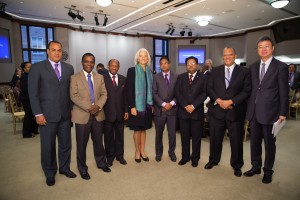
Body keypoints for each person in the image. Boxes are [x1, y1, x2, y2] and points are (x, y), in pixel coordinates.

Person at [28, 41, 76, 186]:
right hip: (46, 115)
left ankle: (64, 168)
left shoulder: (69, 68)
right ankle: (50, 172)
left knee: (65, 144)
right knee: (48, 146)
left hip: (65, 115)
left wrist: (71, 109)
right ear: (47, 51)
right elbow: (33, 93)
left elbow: (70, 91)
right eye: (53, 50)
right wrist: (37, 114)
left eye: (59, 50)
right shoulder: (37, 68)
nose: (57, 53)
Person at [244, 36, 289, 184]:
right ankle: (255, 166)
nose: (263, 49)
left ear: (272, 48)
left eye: (266, 46)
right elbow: (251, 89)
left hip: (271, 113)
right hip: (254, 112)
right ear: (257, 50)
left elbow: (284, 91)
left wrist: (283, 112)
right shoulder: (253, 66)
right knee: (254, 142)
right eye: (260, 47)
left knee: (270, 144)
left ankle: (268, 171)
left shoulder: (281, 67)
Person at [204, 47, 251, 177]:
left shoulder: (244, 72)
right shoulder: (215, 71)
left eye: (230, 54)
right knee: (215, 138)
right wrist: (218, 100)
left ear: (235, 55)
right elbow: (209, 88)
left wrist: (230, 101)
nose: (227, 57)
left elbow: (246, 91)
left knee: (236, 141)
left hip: (235, 111)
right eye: (225, 55)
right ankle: (213, 160)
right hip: (217, 111)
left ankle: (237, 165)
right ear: (222, 57)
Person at [70, 53, 110, 180]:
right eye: (86, 61)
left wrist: (97, 106)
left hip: (98, 114)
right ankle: (82, 168)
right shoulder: (75, 77)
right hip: (82, 115)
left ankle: (101, 163)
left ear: (94, 63)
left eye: (91, 62)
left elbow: (104, 94)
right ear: (82, 63)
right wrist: (89, 107)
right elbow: (74, 96)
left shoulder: (99, 77)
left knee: (99, 141)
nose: (89, 64)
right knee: (81, 144)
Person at [175, 56, 207, 167]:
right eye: (188, 64)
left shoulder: (203, 77)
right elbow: (177, 93)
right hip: (183, 112)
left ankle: (195, 158)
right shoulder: (181, 77)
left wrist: (193, 105)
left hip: (197, 112)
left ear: (197, 65)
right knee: (184, 137)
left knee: (196, 137)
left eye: (193, 63)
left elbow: (204, 93)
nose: (190, 65)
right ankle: (185, 157)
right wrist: (185, 105)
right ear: (186, 66)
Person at [126, 48, 153, 163]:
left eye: (145, 56)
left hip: (147, 107)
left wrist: (152, 105)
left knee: (144, 129)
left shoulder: (150, 72)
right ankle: (137, 151)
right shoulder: (132, 70)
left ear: (148, 59)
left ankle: (142, 151)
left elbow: (151, 90)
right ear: (137, 58)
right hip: (137, 106)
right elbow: (129, 90)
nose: (143, 58)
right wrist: (132, 106)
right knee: (137, 130)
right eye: (141, 56)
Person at [103, 59, 128, 167]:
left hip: (120, 113)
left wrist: (126, 110)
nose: (114, 67)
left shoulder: (123, 79)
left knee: (120, 136)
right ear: (108, 66)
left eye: (116, 66)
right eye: (112, 65)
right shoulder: (102, 79)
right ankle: (109, 157)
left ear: (118, 67)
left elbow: (125, 96)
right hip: (107, 113)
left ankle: (120, 156)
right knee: (108, 137)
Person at [153, 56, 178, 162]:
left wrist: (171, 103)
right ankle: (158, 153)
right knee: (159, 133)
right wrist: (163, 104)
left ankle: (171, 152)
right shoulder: (155, 77)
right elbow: (154, 93)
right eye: (161, 63)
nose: (163, 65)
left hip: (172, 111)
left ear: (169, 64)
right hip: (160, 111)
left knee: (172, 133)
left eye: (165, 63)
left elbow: (179, 94)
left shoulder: (176, 77)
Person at [19, 61, 39, 138]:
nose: (31, 68)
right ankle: (26, 133)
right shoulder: (24, 76)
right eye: (28, 67)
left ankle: (34, 130)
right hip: (26, 99)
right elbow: (26, 89)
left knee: (33, 114)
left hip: (31, 98)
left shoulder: (30, 75)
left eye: (31, 66)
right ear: (24, 69)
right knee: (29, 115)